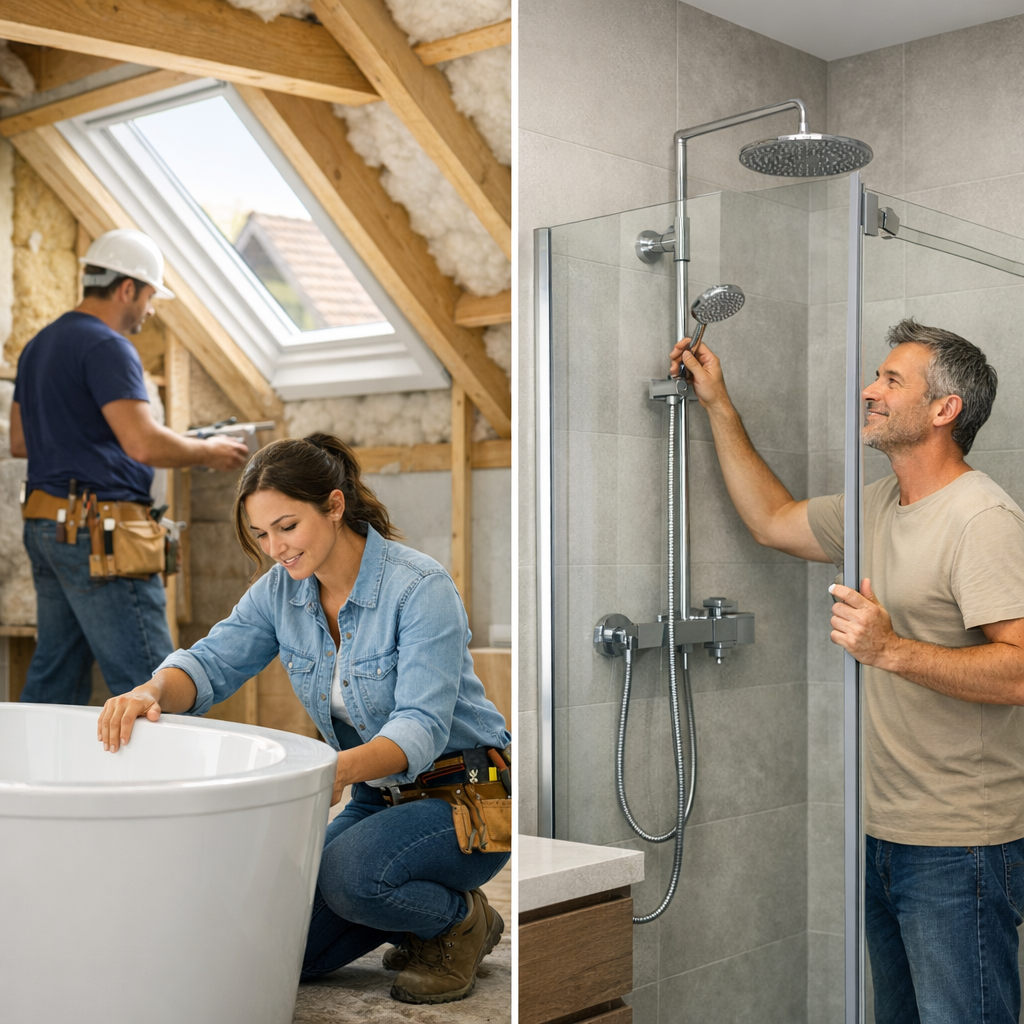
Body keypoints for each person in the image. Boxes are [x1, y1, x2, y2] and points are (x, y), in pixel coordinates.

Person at [670, 319, 1024, 1024]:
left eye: (892, 380)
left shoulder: (982, 518)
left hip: (964, 845)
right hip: (884, 831)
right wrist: (718, 403)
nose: (870, 390)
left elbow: (1021, 672)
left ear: (944, 409)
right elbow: (772, 519)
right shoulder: (876, 505)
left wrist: (891, 650)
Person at [96, 433, 511, 1005]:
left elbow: (419, 726)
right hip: (378, 797)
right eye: (261, 534)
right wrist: (150, 691)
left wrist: (329, 772)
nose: (275, 548)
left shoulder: (419, 588)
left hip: (472, 796)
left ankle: (458, 921)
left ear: (335, 506)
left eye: (287, 527)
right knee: (289, 947)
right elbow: (212, 661)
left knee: (349, 876)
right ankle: (405, 908)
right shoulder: (281, 593)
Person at [9, 229, 248, 704]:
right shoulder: (107, 346)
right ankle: (174, 781)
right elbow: (141, 443)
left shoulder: (39, 345)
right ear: (126, 289)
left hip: (46, 526)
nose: (151, 308)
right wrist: (207, 451)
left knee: (56, 679)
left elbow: (20, 441)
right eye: (149, 296)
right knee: (153, 685)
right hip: (100, 535)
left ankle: (25, 776)